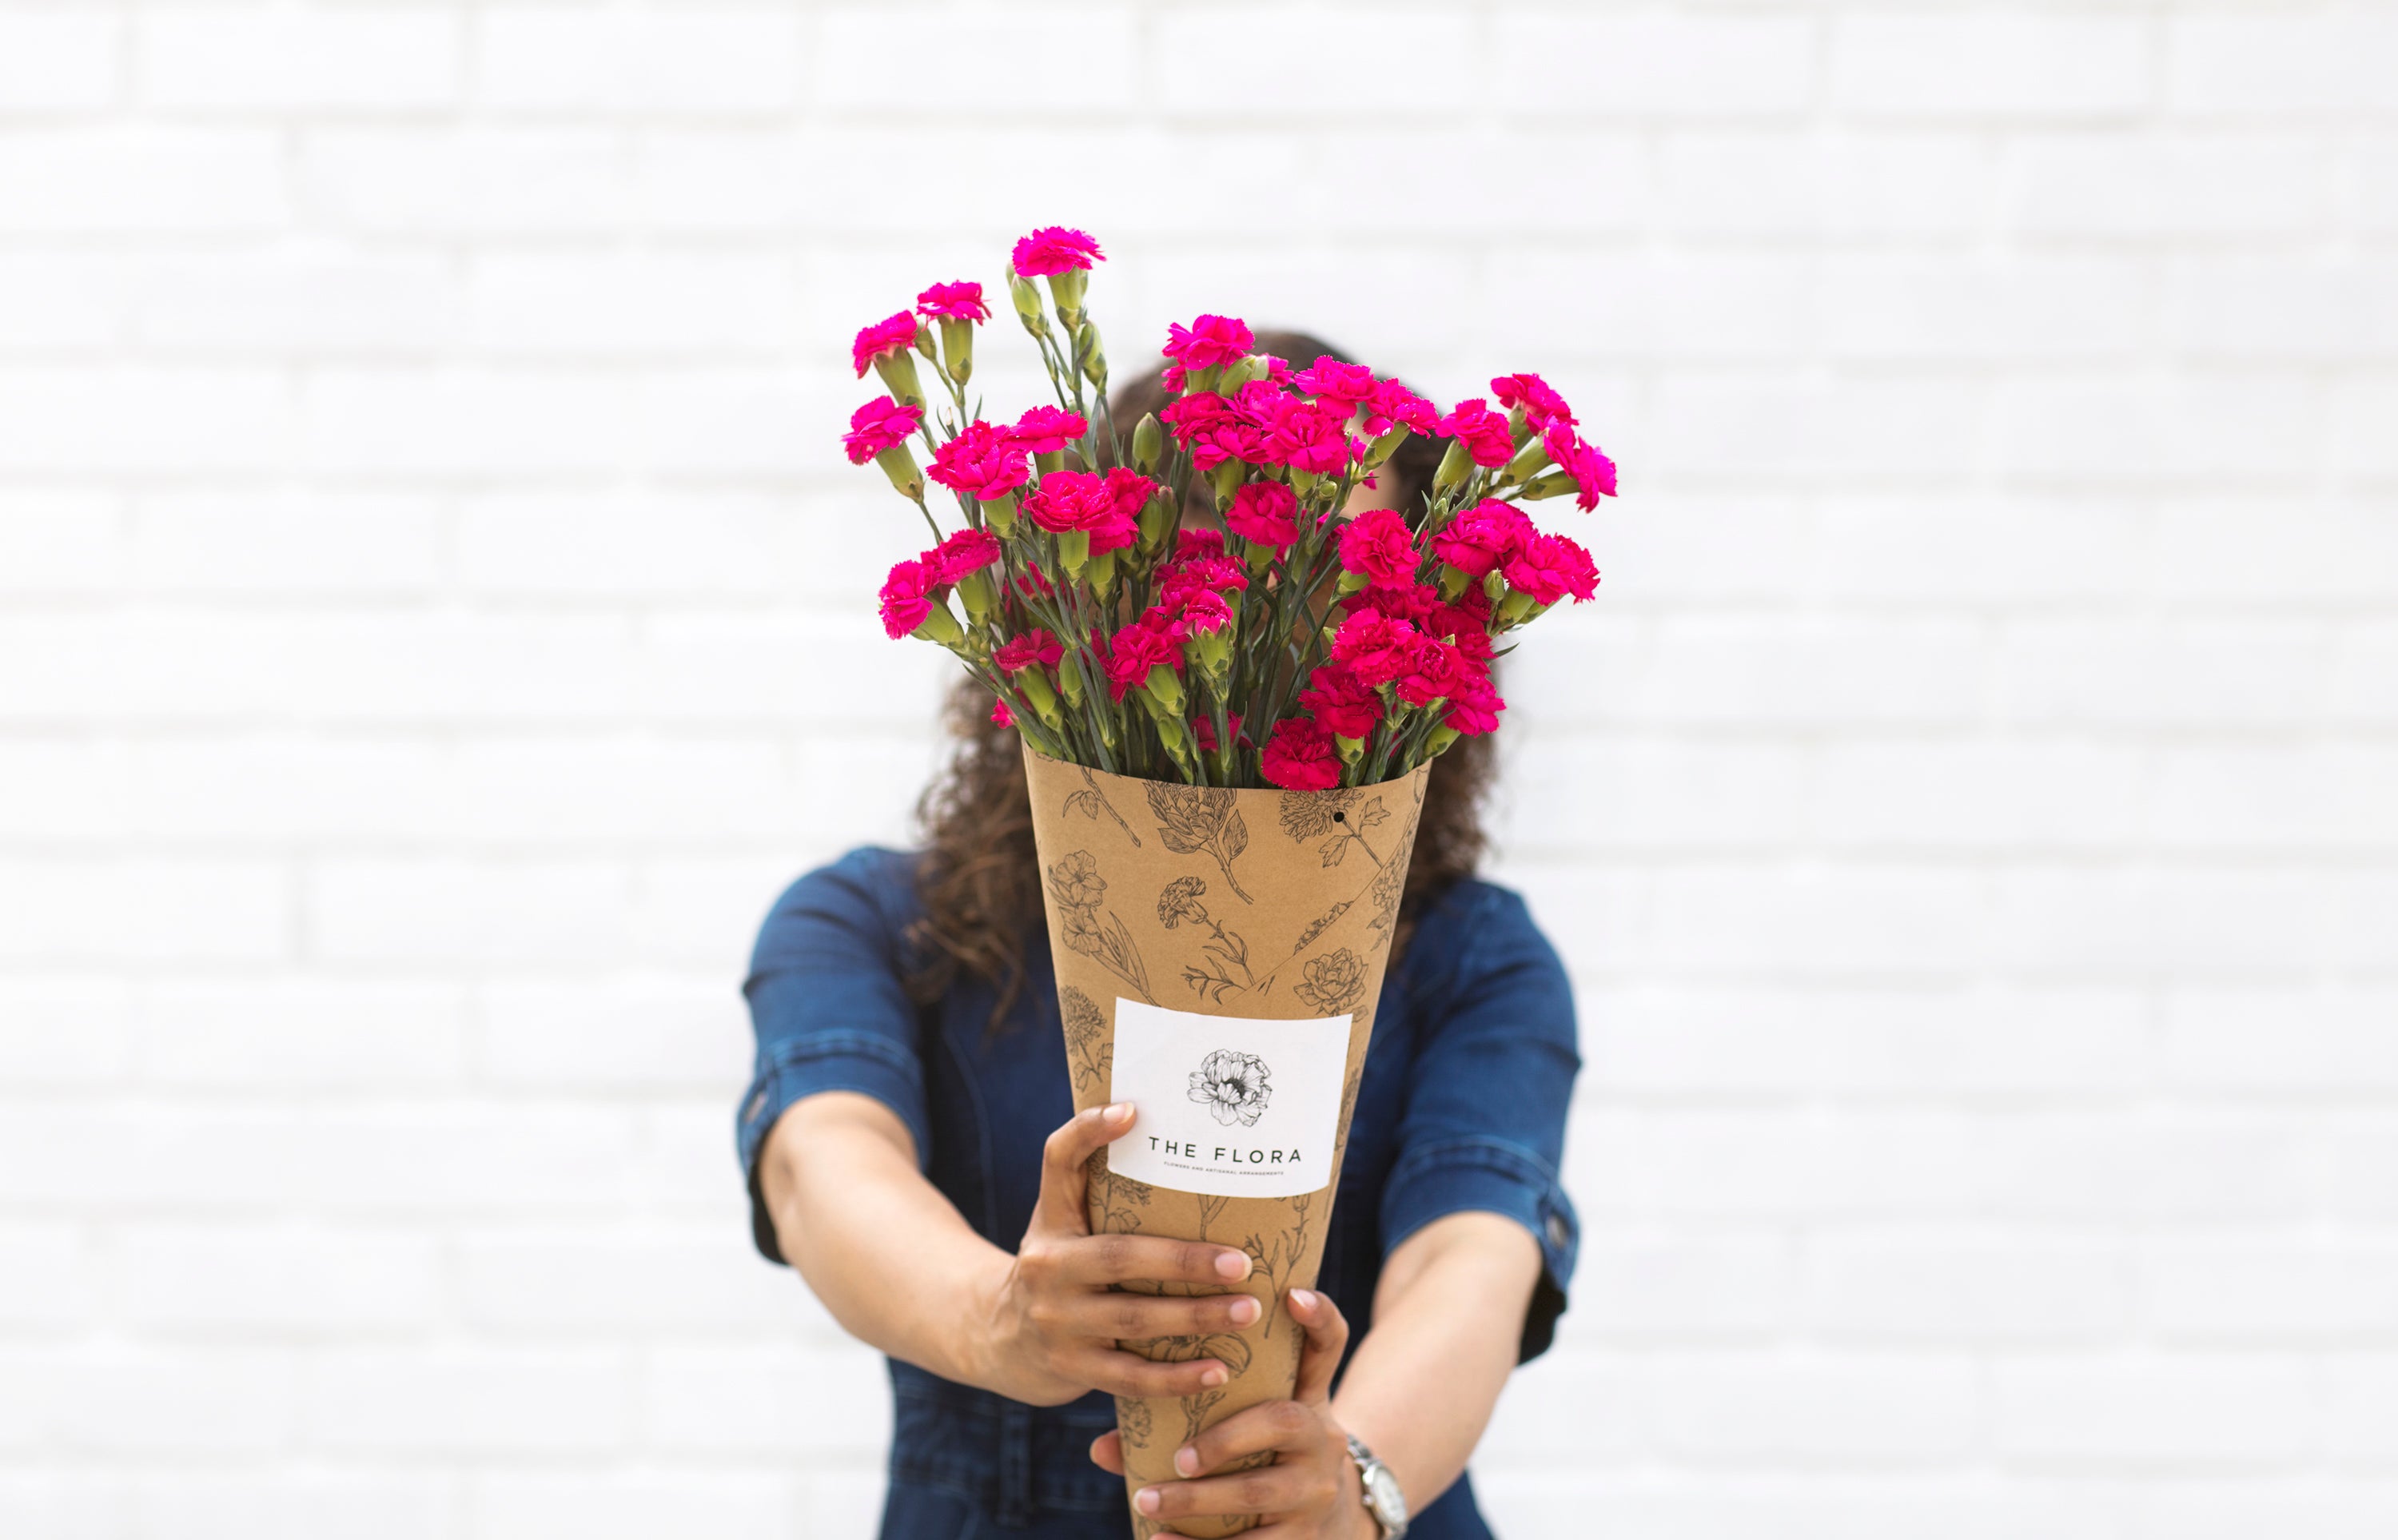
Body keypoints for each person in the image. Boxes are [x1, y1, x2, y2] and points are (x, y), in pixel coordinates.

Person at [739, 332, 1582, 1539]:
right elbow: (823, 1169)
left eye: (1333, 578)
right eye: (1215, 564)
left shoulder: (1471, 958)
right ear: (1091, 590)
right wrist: (1000, 1316)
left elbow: (1471, 1263)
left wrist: (1352, 1484)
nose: (1272, 625)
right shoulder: (875, 924)